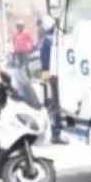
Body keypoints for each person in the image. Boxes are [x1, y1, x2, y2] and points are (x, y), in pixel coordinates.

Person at [39, 16, 68, 145]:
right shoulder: (52, 40)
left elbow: (44, 61)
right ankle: (56, 134)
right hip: (57, 75)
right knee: (57, 104)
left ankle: (56, 131)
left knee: (55, 103)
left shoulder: (46, 39)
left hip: (52, 75)